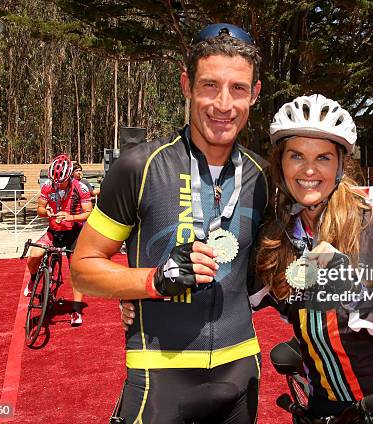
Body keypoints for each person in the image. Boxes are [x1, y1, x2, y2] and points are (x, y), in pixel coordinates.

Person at [122, 94, 373, 423]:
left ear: (341, 165)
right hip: (327, 402)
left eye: (324, 158)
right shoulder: (277, 235)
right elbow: (230, 292)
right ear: (281, 163)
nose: (309, 170)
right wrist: (142, 292)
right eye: (297, 156)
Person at [70, 23, 267, 424]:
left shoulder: (262, 176)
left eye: (238, 89)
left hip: (240, 371)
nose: (223, 104)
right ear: (186, 85)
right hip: (160, 374)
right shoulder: (138, 167)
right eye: (210, 85)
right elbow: (82, 268)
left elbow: (263, 275)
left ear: (255, 94)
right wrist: (152, 282)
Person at [25, 154, 93, 326]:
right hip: (53, 231)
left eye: (61, 181)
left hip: (73, 233)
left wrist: (70, 217)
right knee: (34, 254)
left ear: (69, 176)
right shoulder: (48, 186)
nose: (57, 184)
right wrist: (45, 211)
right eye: (55, 181)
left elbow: (89, 212)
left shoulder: (80, 188)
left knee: (76, 271)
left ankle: (76, 310)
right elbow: (39, 208)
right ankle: (33, 279)